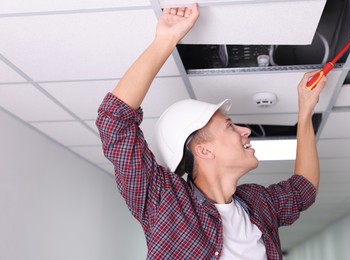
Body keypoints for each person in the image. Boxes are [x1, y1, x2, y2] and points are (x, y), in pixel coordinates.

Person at [96, 3, 327, 260]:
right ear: (203, 150)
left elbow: (303, 189)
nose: (245, 131)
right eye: (230, 126)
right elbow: (114, 121)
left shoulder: (258, 204)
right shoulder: (166, 203)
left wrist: (305, 111)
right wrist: (165, 40)